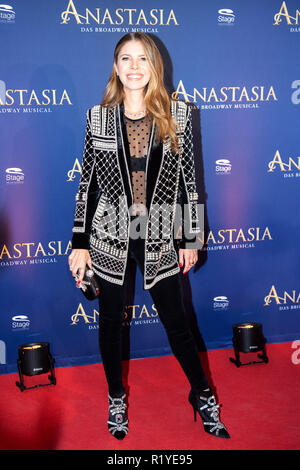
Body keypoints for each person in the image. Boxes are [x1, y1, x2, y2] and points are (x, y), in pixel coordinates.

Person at [68, 33, 229, 441]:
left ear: (153, 66)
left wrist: (192, 236)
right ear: (116, 66)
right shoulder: (98, 118)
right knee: (109, 325)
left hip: (159, 231)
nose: (134, 66)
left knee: (178, 322)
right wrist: (80, 243)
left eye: (143, 58)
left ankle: (202, 394)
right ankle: (116, 395)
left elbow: (190, 183)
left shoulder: (177, 113)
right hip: (110, 233)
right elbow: (88, 185)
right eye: (126, 58)